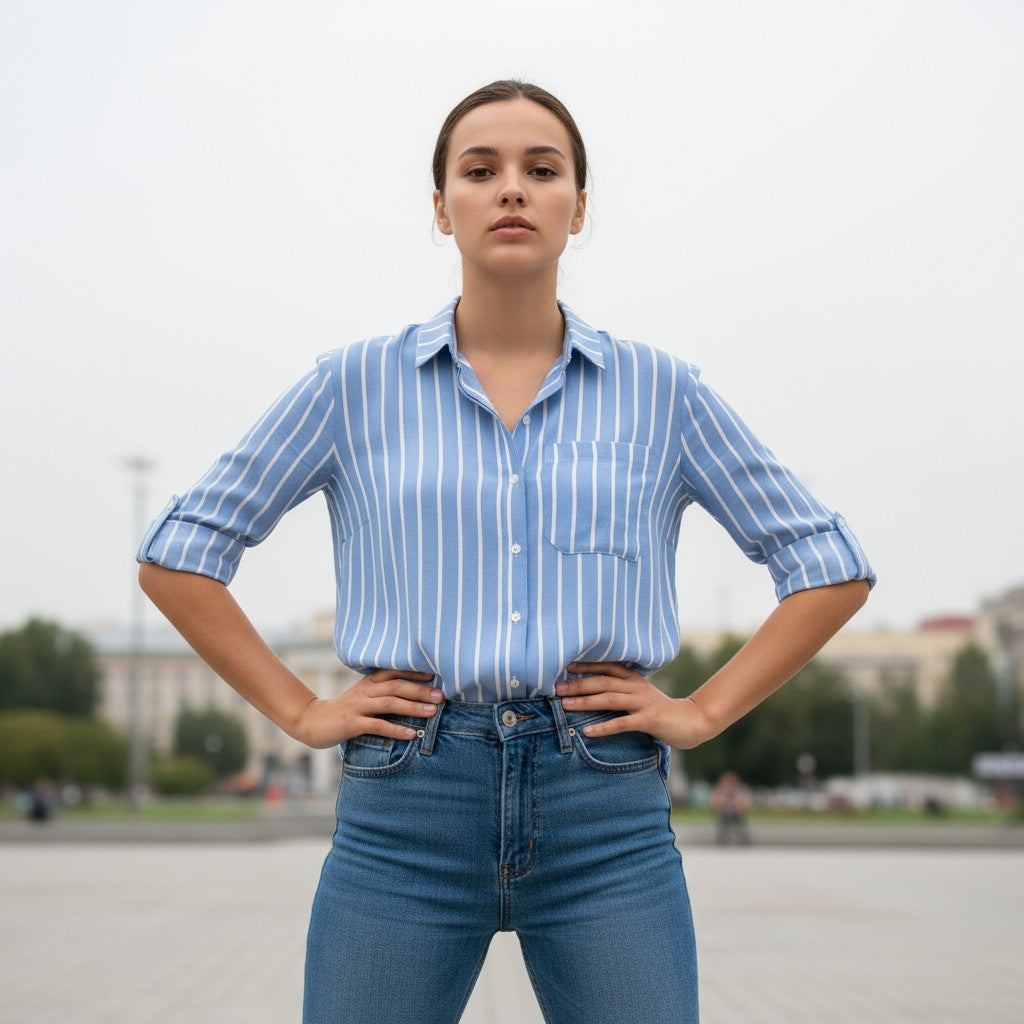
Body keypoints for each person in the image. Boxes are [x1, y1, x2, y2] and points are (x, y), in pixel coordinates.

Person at [137, 79, 875, 1024]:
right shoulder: (353, 386)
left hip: (603, 811)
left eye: (543, 169)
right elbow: (180, 552)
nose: (512, 190)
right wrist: (300, 711)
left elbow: (829, 564)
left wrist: (699, 713)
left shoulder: (661, 392)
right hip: (405, 807)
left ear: (579, 205)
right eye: (480, 171)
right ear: (443, 209)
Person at [711, 770, 752, 845]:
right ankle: (722, 839)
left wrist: (739, 808)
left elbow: (744, 803)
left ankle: (744, 840)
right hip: (724, 814)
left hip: (736, 814)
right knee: (723, 821)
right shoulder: (720, 791)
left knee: (741, 823)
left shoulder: (739, 791)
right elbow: (716, 803)